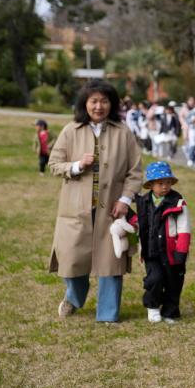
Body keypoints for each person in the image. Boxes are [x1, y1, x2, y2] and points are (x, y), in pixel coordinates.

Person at [48, 79, 144, 323]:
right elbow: (54, 164)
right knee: (73, 257)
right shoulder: (71, 130)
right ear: (85, 103)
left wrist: (125, 199)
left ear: (111, 104)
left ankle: (108, 314)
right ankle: (74, 297)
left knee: (111, 259)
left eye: (104, 101)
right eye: (94, 101)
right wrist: (78, 165)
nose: (99, 106)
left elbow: (135, 172)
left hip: (112, 208)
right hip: (76, 208)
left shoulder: (123, 133)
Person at [132, 162, 190, 323]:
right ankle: (153, 306)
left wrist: (181, 252)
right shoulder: (143, 203)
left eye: (168, 183)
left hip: (172, 252)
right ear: (150, 185)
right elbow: (140, 224)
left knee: (174, 282)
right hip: (152, 252)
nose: (165, 186)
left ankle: (170, 312)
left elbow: (184, 230)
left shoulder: (178, 203)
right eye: (160, 183)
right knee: (154, 279)